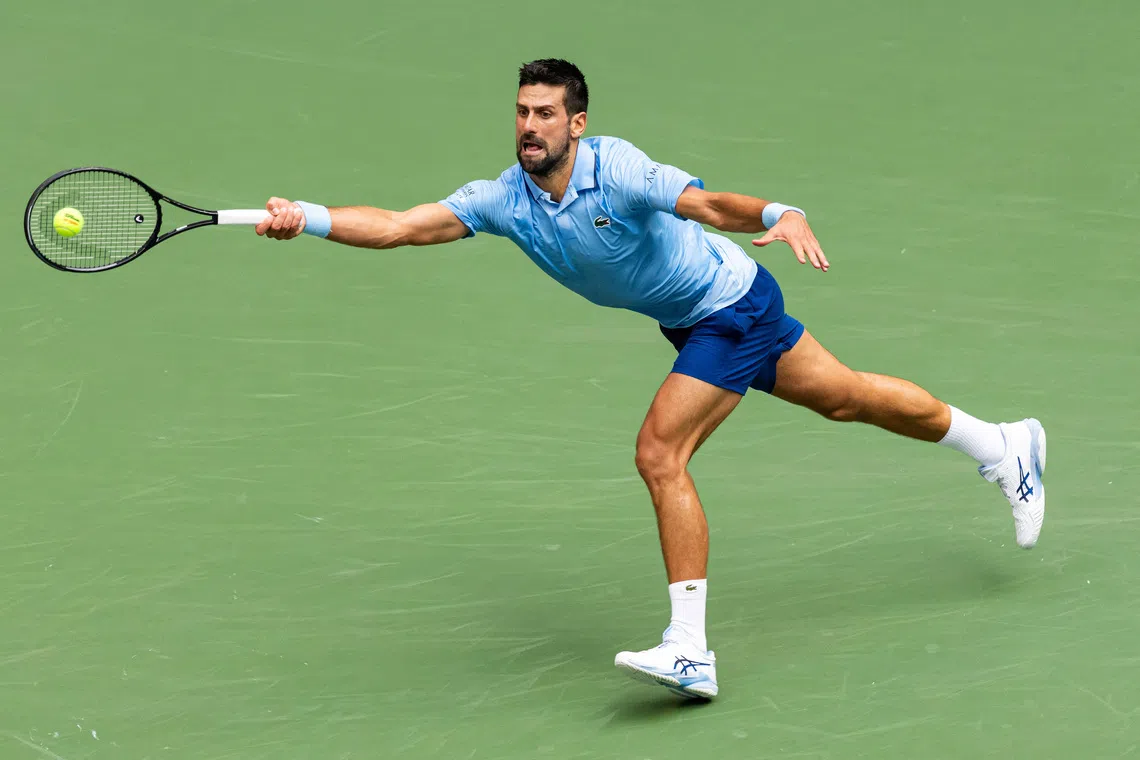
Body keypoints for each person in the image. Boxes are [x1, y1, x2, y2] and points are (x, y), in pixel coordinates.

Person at [253, 58, 1046, 700]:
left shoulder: (619, 169)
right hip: (708, 315)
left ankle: (689, 649)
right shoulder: (503, 199)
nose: (528, 126)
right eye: (521, 112)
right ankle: (1003, 444)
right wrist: (309, 217)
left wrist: (778, 212)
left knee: (659, 453)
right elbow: (398, 227)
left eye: (544, 113)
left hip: (728, 307)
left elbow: (704, 203)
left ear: (577, 122)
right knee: (846, 398)